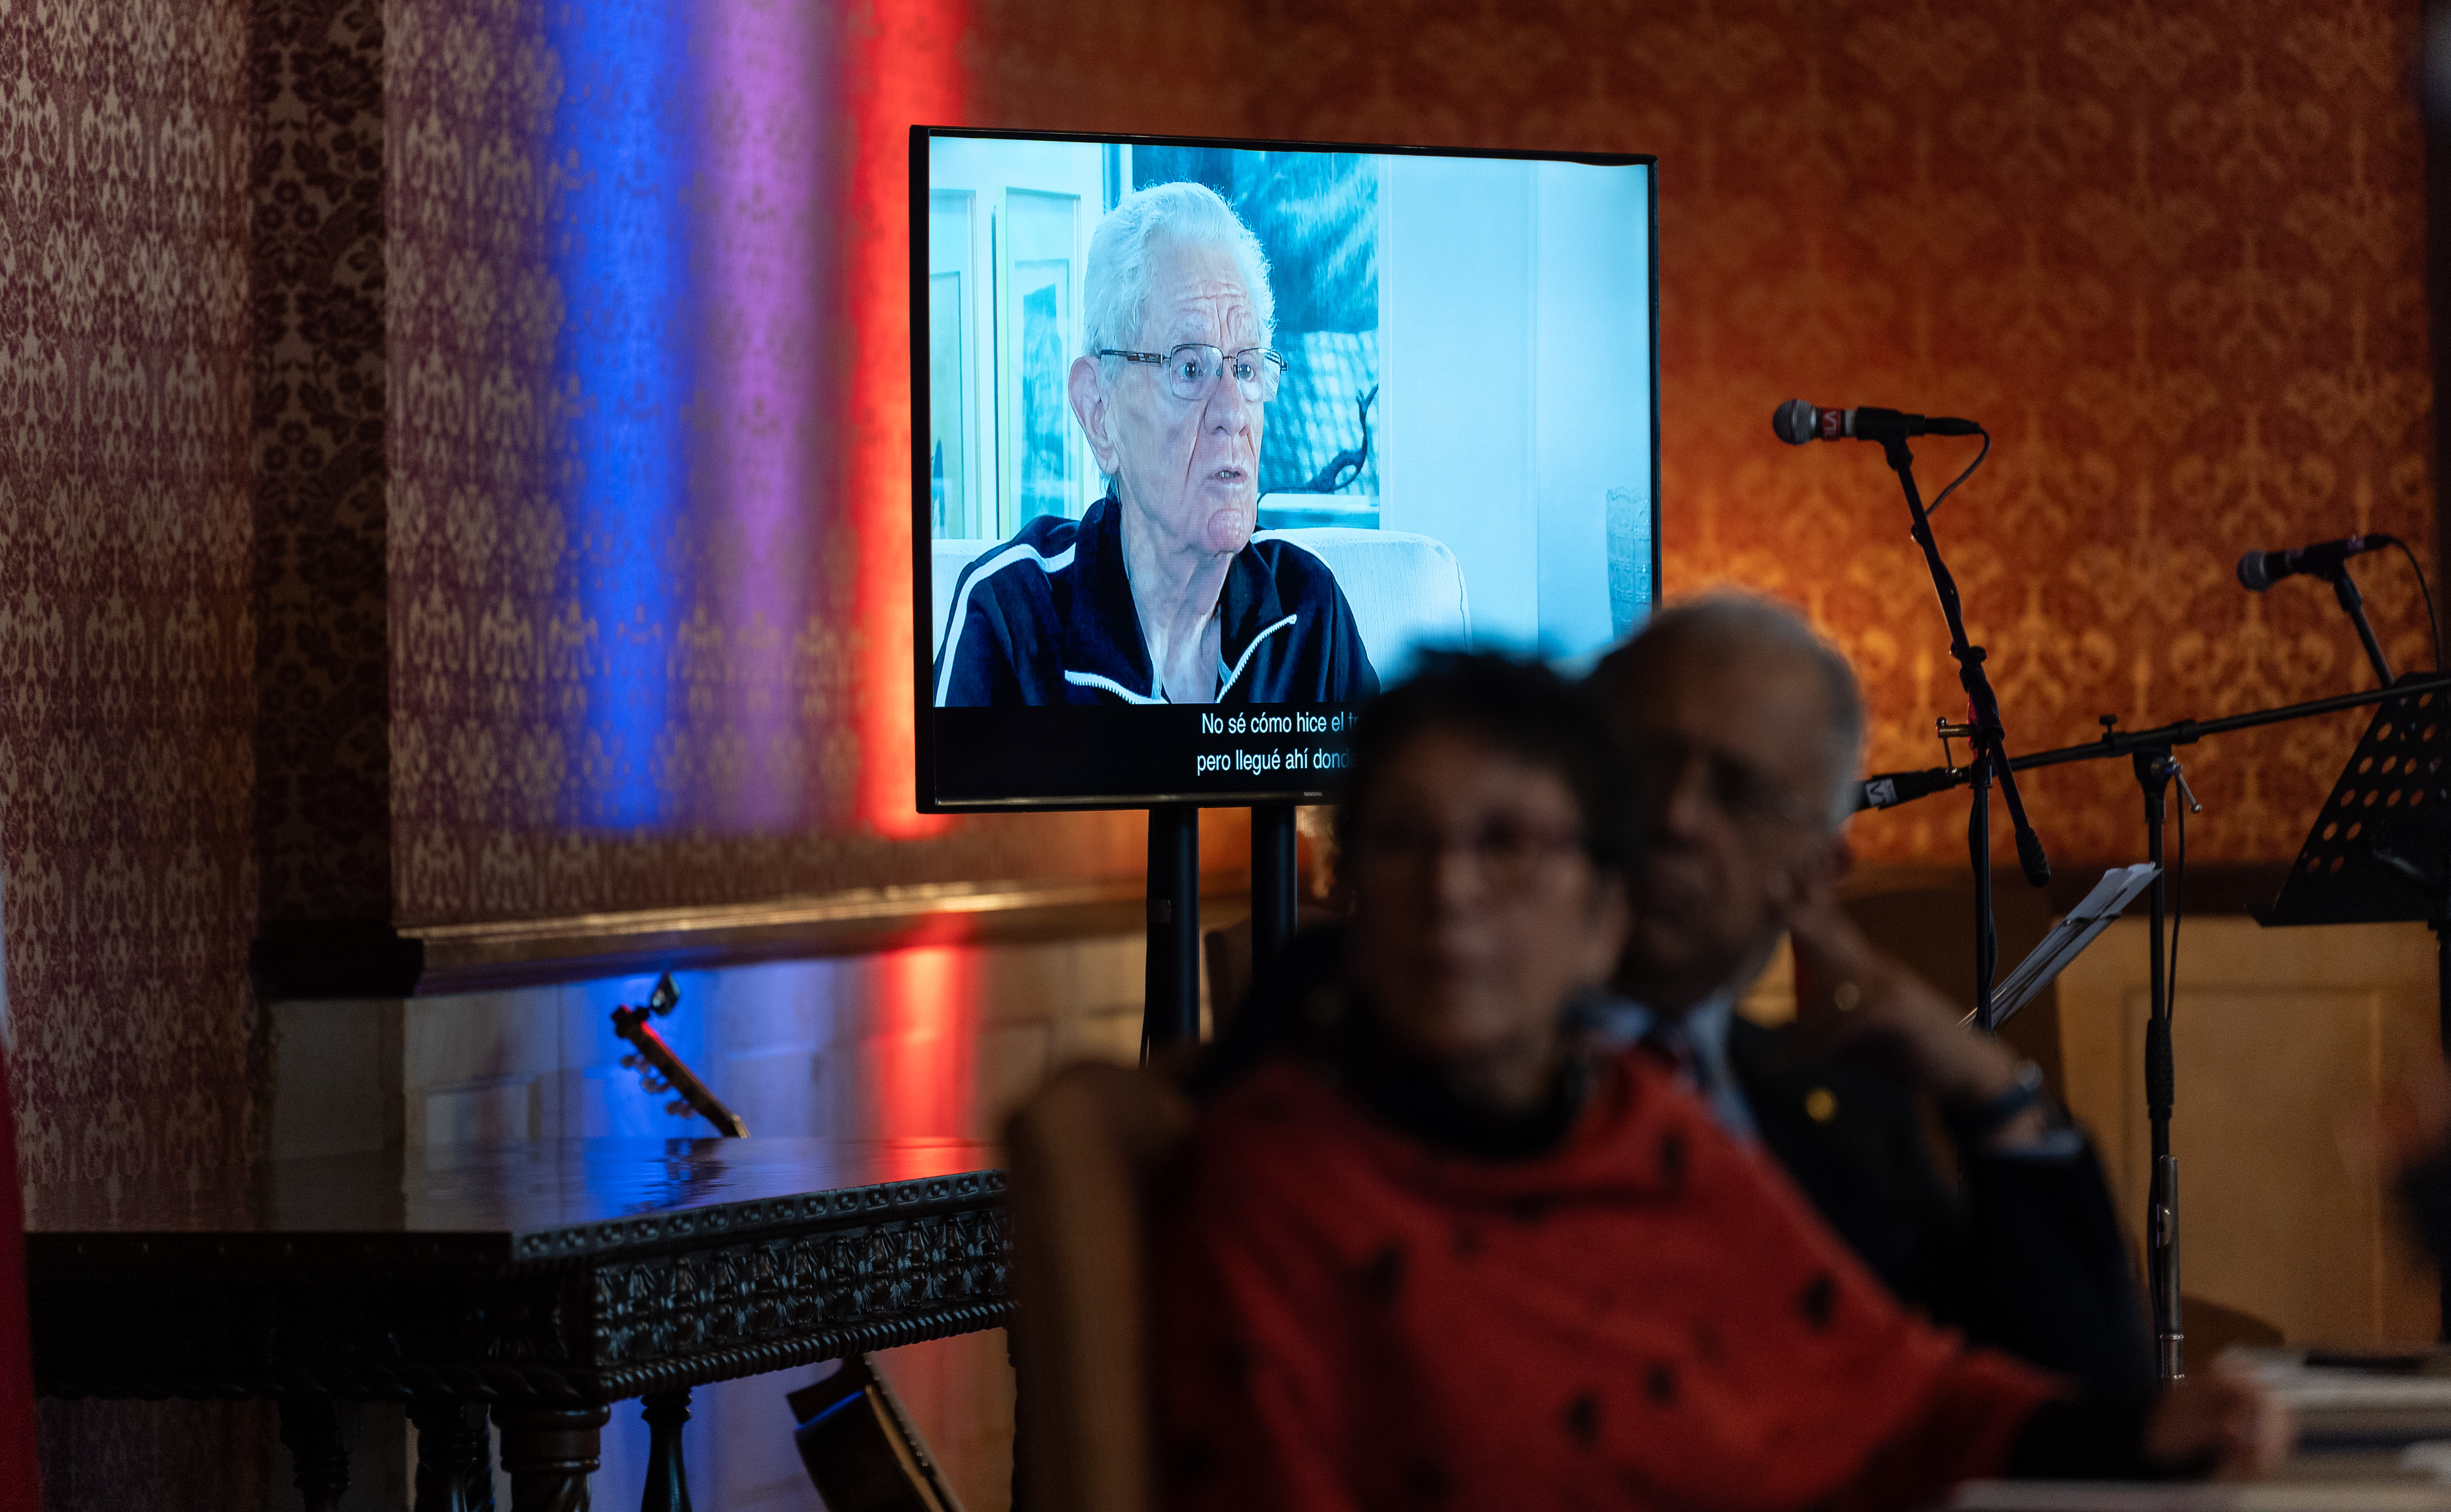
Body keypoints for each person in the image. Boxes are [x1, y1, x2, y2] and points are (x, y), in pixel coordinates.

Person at [1151, 652, 2283, 1511]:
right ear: (1351, 892)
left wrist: (2139, 1434)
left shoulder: (1647, 1132)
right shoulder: (1274, 1174)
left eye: (1508, 846)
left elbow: (1902, 1397)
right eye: (1401, 842)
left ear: (1603, 915)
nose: (1450, 891)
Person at [1586, 594, 2152, 1391]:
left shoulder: (1840, 1117)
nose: (1677, 816)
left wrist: (1990, 1089)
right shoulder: (1435, 1062)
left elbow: (2077, 1405)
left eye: (1739, 791)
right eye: (1646, 763)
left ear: (1817, 872)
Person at [932, 181, 1377, 706]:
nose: (1233, 413)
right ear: (1099, 412)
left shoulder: (1310, 615)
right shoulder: (1011, 621)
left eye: (1248, 368)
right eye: (1191, 368)